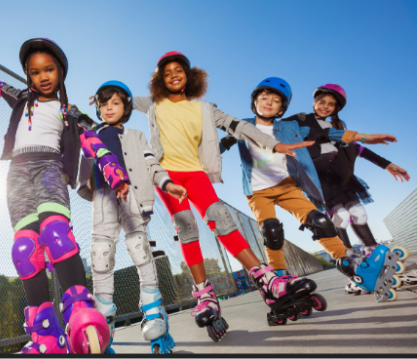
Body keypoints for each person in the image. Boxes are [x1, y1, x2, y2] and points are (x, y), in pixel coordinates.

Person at [0, 38, 129, 354]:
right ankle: (46, 335)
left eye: (49, 70)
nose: (43, 76)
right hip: (17, 174)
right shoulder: (20, 99)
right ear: (28, 76)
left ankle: (80, 312)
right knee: (24, 249)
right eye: (35, 72)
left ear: (60, 72)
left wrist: (115, 173)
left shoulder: (69, 112)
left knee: (56, 233)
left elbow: (94, 144)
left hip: (50, 168)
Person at [132, 52, 315, 338]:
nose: (173, 75)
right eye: (166, 73)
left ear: (189, 76)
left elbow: (239, 126)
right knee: (187, 227)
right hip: (166, 176)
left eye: (178, 70)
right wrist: (99, 99)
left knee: (220, 218)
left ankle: (265, 277)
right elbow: (119, 99)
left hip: (196, 173)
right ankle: (204, 295)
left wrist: (272, 144)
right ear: (159, 81)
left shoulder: (204, 108)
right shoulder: (153, 104)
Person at [223, 77, 403, 306]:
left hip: (288, 186)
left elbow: (329, 134)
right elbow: (223, 140)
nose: (268, 103)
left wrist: (364, 138)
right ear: (255, 101)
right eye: (264, 98)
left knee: (320, 221)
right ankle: (278, 282)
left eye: (275, 101)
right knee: (271, 230)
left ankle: (357, 270)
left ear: (282, 109)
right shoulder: (243, 125)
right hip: (258, 191)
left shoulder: (290, 126)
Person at [80, 81, 185, 353]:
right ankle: (103, 322)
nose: (109, 108)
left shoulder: (137, 136)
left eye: (115, 103)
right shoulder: (91, 133)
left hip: (133, 199)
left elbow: (152, 164)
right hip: (104, 200)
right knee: (101, 255)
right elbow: (81, 160)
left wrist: (167, 183)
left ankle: (153, 312)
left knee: (139, 249)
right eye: (103, 105)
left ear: (126, 106)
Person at [282, 84, 410, 294]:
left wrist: (386, 164)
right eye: (321, 102)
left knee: (358, 213)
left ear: (336, 108)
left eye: (331, 104)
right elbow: (274, 127)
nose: (325, 106)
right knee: (340, 216)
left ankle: (374, 254)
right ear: (314, 102)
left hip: (340, 176)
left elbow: (358, 148)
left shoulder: (338, 127)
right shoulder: (301, 119)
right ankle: (352, 266)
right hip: (318, 179)